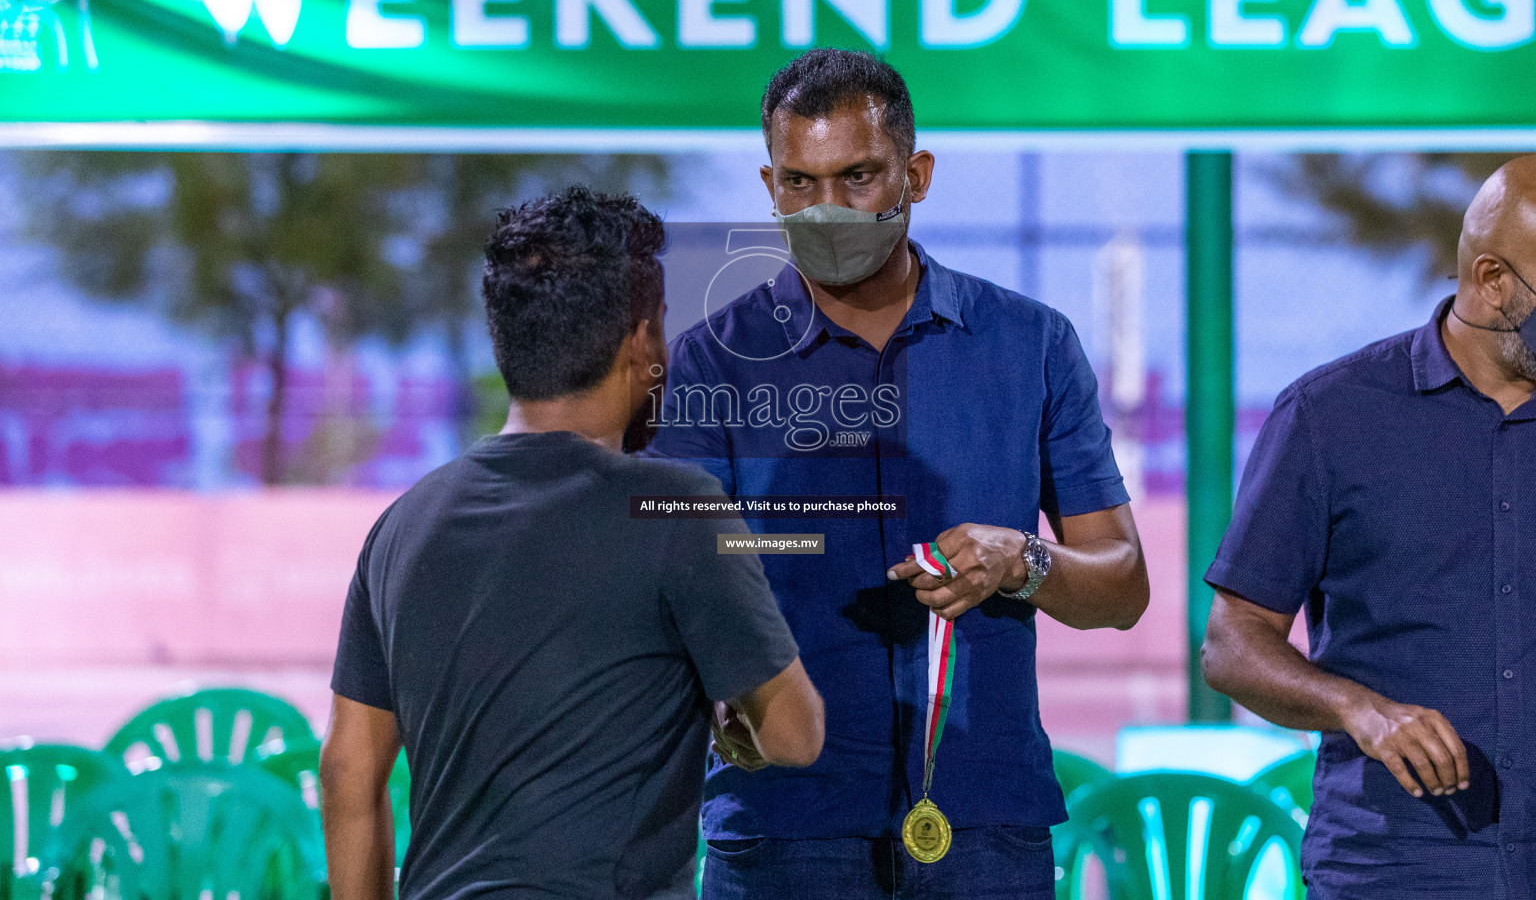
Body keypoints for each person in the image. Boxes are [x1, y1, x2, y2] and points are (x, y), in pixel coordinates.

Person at [646, 49, 1149, 900]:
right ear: (769, 186)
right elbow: (668, 578)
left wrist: (1022, 561)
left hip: (983, 822)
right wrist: (713, 682)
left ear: (916, 174)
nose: (827, 207)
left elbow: (1122, 584)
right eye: (799, 184)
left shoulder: (1030, 344)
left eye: (859, 177)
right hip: (780, 823)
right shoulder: (711, 362)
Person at [319, 186, 824, 900]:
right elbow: (795, 734)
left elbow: (349, 772)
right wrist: (732, 715)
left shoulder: (403, 526)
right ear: (641, 340)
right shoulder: (678, 511)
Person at [1202, 157, 1536, 899]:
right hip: (1394, 868)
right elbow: (1231, 644)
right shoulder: (1329, 417)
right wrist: (1361, 711)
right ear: (1491, 281)